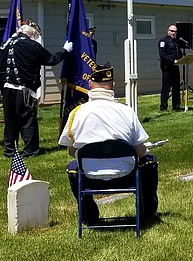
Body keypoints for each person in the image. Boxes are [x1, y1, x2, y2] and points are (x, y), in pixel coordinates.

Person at [59, 63, 159, 225]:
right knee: (150, 160)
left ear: (90, 84)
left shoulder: (77, 113)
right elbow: (140, 152)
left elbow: (72, 151)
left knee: (73, 167)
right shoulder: (127, 111)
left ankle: (88, 215)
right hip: (127, 176)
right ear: (112, 85)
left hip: (90, 178)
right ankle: (147, 212)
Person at [0, 22, 70, 158]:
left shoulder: (5, 45)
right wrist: (65, 51)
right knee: (27, 121)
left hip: (7, 89)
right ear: (32, 33)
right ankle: (30, 151)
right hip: (24, 89)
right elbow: (51, 59)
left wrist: (2, 86)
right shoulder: (32, 46)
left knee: (10, 122)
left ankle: (9, 151)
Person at [158, 24, 183, 112]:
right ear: (168, 31)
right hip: (167, 68)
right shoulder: (163, 41)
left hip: (175, 67)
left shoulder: (176, 42)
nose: (173, 33)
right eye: (172, 31)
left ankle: (176, 106)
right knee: (166, 88)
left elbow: (179, 54)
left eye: (175, 31)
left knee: (176, 87)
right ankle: (163, 107)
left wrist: (183, 58)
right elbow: (162, 56)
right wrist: (173, 61)